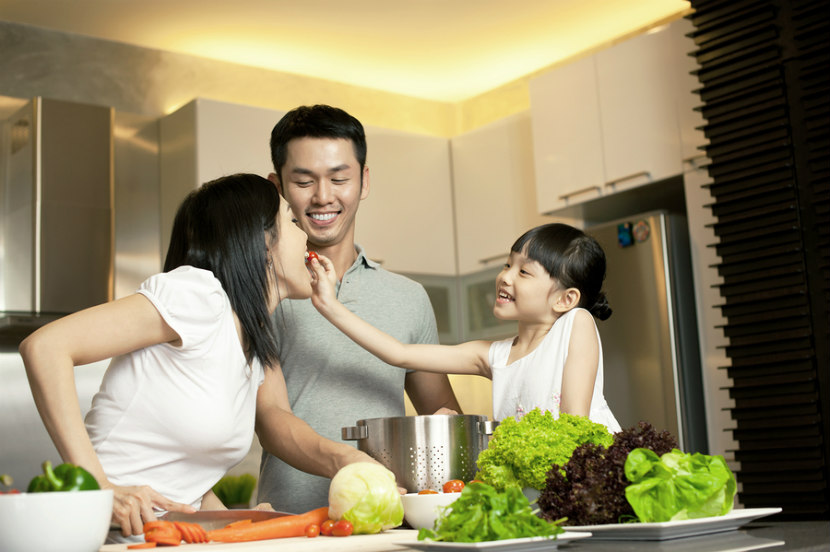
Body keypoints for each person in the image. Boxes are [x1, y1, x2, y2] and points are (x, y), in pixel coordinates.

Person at [19, 173, 370, 542]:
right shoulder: (197, 295)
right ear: (262, 240)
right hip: (97, 538)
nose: (306, 236)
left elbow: (187, 487)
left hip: (156, 540)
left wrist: (248, 526)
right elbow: (45, 347)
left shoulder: (250, 348)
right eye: (292, 222)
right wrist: (99, 488)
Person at [258, 104, 462, 513]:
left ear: (364, 180)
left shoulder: (408, 298)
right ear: (277, 186)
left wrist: (448, 427)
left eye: (339, 178)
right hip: (291, 523)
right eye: (303, 181)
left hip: (390, 519)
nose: (323, 197)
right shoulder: (262, 293)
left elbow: (441, 413)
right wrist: (348, 462)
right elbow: (270, 419)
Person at [308, 222, 622, 432]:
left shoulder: (576, 324)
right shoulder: (494, 356)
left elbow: (574, 426)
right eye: (507, 264)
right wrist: (331, 307)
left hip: (585, 479)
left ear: (566, 299)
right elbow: (399, 354)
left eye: (524, 272)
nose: (505, 277)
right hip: (540, 490)